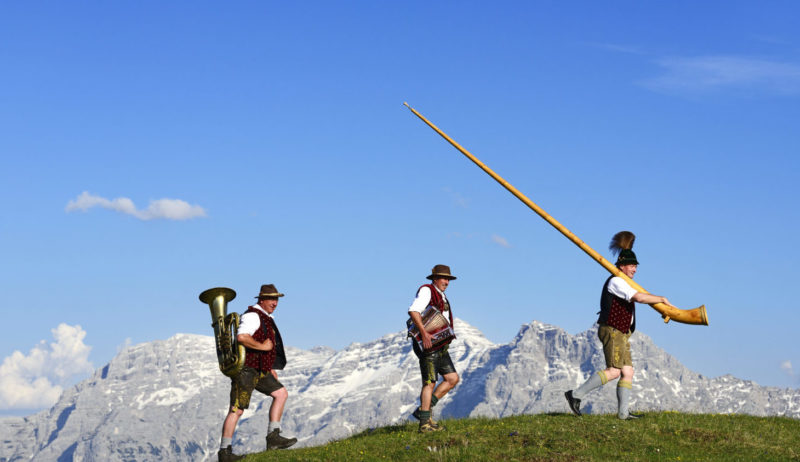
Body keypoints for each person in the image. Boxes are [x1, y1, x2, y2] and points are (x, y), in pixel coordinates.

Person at [565, 231, 676, 420]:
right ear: (622, 266)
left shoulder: (625, 282)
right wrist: (661, 299)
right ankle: (575, 395)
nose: (635, 270)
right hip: (613, 330)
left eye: (635, 266)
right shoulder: (617, 282)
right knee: (614, 371)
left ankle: (623, 414)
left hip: (621, 333)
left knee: (627, 371)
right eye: (632, 266)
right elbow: (638, 297)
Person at [218, 284, 297, 462]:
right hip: (246, 370)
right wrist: (263, 346)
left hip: (259, 370)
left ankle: (273, 438)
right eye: (271, 299)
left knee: (281, 393)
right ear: (261, 300)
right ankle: (224, 452)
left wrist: (269, 369)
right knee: (236, 410)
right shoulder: (253, 316)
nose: (275, 303)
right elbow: (242, 337)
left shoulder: (266, 317)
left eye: (276, 299)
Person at [407, 264, 460, 433]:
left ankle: (424, 410)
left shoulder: (441, 296)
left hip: (440, 345)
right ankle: (424, 424)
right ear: (435, 278)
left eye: (448, 279)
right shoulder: (427, 291)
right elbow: (413, 311)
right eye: (444, 278)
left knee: (452, 378)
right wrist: (424, 333)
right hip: (428, 345)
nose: (447, 282)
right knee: (430, 382)